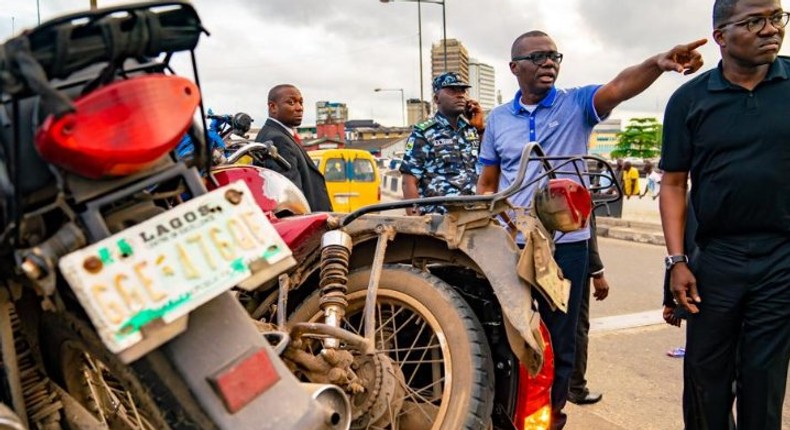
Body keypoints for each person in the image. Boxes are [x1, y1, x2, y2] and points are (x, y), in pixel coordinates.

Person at [476, 30, 705, 429]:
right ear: (515, 68)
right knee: (507, 332)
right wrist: (489, 225)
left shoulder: (577, 104)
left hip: (567, 245)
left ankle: (550, 417)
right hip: (512, 244)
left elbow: (618, 86)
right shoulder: (497, 121)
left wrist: (657, 63)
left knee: (561, 338)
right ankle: (506, 410)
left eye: (554, 56)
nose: (549, 62)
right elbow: (487, 184)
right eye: (538, 57)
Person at [659, 0, 790, 428]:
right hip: (714, 259)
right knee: (705, 378)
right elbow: (674, 184)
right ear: (720, 36)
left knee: (764, 380)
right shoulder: (689, 100)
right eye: (755, 21)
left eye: (777, 17)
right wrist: (677, 261)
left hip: (781, 259)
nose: (771, 29)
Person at [399, 72, 485, 215]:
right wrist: (416, 222)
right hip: (440, 222)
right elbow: (408, 181)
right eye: (452, 90)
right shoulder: (423, 133)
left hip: (474, 216)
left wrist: (480, 128)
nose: (460, 95)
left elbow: (488, 164)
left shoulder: (472, 130)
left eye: (463, 90)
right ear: (436, 98)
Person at [255, 84, 332, 212]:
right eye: (291, 102)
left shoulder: (278, 134)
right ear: (273, 107)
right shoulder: (278, 139)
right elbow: (290, 199)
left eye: (301, 102)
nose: (299, 108)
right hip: (306, 225)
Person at [568, 214, 609, 405]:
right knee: (576, 326)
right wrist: (597, 271)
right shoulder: (575, 184)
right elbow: (586, 227)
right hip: (569, 256)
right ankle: (575, 387)